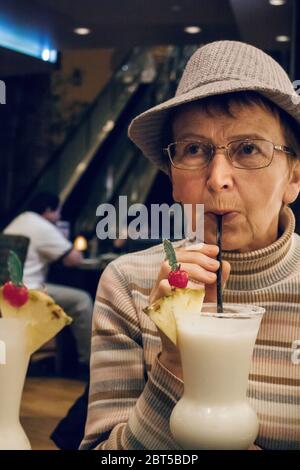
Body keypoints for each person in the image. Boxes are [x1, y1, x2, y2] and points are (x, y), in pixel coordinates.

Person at [80, 41, 300, 450]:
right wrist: (176, 360)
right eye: (194, 149)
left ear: (294, 178)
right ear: (173, 177)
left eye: (248, 149)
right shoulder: (130, 285)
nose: (217, 178)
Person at [4, 191, 93, 368]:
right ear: (47, 210)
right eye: (57, 211)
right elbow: (74, 259)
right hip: (28, 291)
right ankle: (89, 362)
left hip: (7, 290)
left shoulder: (19, 221)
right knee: (81, 300)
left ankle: (66, 359)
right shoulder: (41, 226)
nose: (59, 216)